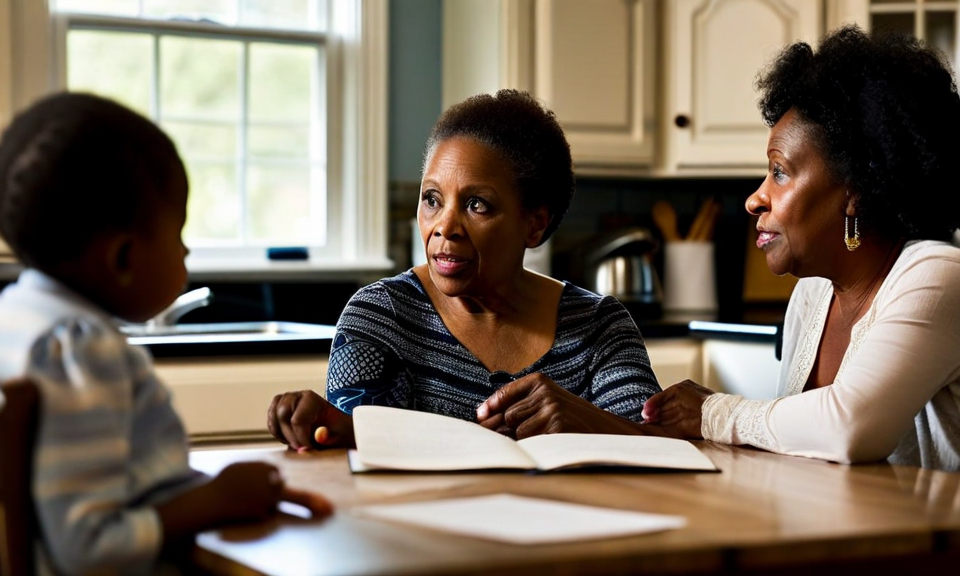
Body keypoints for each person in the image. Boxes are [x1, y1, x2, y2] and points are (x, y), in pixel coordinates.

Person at [0, 92, 331, 576]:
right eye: (178, 234)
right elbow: (87, 549)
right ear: (123, 259)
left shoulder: (15, 318)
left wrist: (231, 494)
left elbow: (124, 487)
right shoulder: (81, 351)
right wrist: (216, 500)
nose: (186, 250)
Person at [640, 26, 960, 471]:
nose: (756, 198)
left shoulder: (939, 275)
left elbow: (848, 430)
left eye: (780, 171)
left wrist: (710, 412)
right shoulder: (812, 295)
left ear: (855, 191)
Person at [267, 89, 661, 449]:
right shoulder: (380, 315)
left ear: (535, 224)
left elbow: (661, 451)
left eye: (477, 205)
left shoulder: (599, 326)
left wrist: (584, 418)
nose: (444, 227)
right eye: (432, 200)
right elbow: (352, 453)